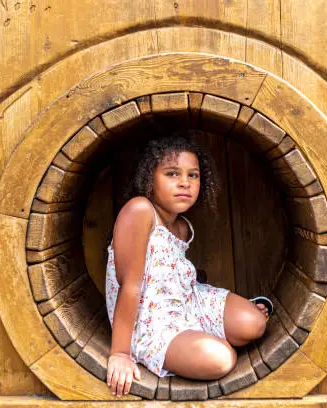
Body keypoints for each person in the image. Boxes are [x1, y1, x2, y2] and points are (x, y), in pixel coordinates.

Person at [105, 132, 272, 397]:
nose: (184, 183)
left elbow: (174, 277)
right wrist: (120, 354)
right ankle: (201, 341)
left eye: (192, 175)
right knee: (221, 359)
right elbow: (131, 285)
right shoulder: (139, 211)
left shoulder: (181, 226)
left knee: (254, 324)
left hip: (188, 303)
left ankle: (211, 329)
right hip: (151, 322)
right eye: (172, 174)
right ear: (150, 177)